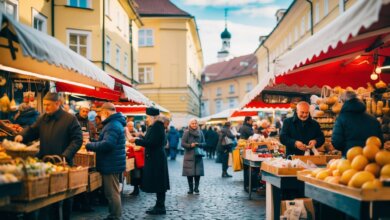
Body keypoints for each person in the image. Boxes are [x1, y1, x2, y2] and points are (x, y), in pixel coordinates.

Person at [15, 92, 82, 220]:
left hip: (63, 164)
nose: (45, 107)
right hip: (45, 164)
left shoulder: (70, 119)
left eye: (48, 105)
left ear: (58, 104)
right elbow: (32, 130)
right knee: (46, 201)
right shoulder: (43, 118)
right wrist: (22, 136)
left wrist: (65, 155)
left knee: (64, 199)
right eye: (44, 104)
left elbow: (77, 140)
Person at [86, 102, 126, 220]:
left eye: (101, 113)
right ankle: (113, 214)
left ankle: (115, 215)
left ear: (106, 112)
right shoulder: (114, 123)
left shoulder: (112, 125)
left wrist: (90, 145)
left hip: (111, 163)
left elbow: (108, 144)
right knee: (112, 191)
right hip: (112, 162)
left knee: (112, 192)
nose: (100, 115)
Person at [134, 107, 170, 215]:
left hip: (157, 158)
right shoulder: (155, 126)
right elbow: (150, 140)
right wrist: (141, 137)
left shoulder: (157, 127)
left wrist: (137, 141)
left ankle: (160, 207)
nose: (146, 119)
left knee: (159, 182)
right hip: (156, 157)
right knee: (158, 182)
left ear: (152, 117)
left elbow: (152, 143)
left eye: (147, 117)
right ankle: (159, 205)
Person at [332, 91, 383, 155]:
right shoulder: (373, 119)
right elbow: (380, 142)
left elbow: (337, 142)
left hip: (350, 158)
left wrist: (347, 147)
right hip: (370, 158)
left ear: (343, 101)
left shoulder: (341, 118)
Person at [181, 118, 206, 194]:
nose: (194, 125)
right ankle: (191, 189)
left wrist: (199, 144)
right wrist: (190, 145)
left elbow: (204, 143)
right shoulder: (186, 132)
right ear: (190, 124)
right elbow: (182, 143)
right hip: (189, 155)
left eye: (195, 123)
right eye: (192, 123)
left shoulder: (200, 132)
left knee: (198, 173)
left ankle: (196, 188)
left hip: (198, 155)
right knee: (189, 173)